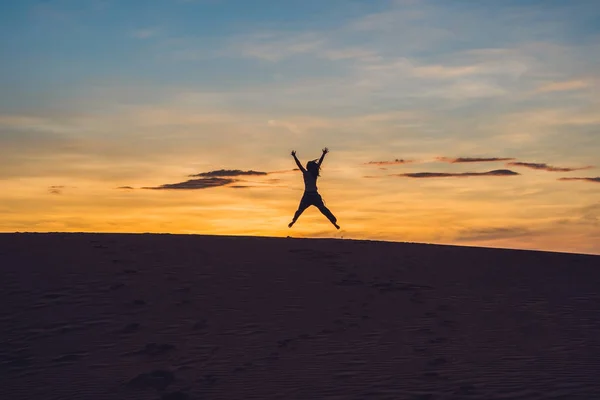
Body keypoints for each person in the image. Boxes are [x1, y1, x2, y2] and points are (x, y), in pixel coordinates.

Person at [288, 147, 340, 229]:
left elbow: (318, 163)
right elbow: (299, 165)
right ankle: (293, 221)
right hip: (308, 195)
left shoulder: (311, 174)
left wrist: (323, 154)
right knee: (301, 210)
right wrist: (294, 156)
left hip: (313, 195)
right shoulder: (307, 173)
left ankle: (334, 223)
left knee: (322, 209)